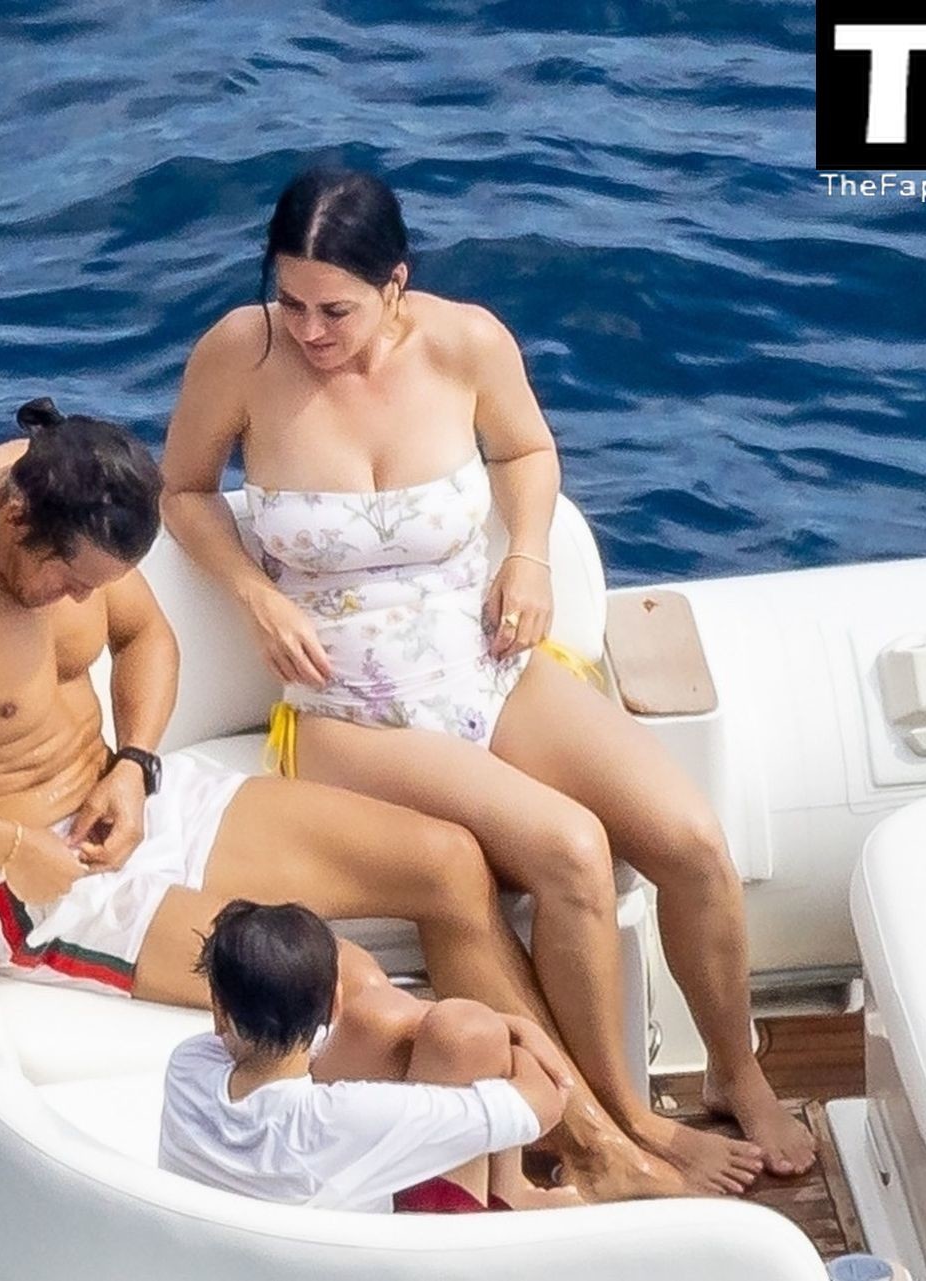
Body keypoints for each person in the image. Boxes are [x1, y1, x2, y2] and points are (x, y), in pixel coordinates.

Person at [0, 395, 685, 1202]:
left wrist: (136, 764)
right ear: (16, 518)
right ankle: (584, 1156)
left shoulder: (73, 498)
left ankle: (576, 1142)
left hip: (126, 798)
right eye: (71, 582)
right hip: (36, 874)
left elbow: (146, 635)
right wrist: (15, 852)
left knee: (449, 862)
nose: (80, 602)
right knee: (342, 987)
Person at [160, 166, 816, 1189]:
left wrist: (530, 556)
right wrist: (255, 595)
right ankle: (624, 1125)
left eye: (335, 309)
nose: (309, 330)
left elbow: (526, 451)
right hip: (349, 707)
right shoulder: (239, 355)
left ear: (396, 285)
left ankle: (740, 1073)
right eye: (290, 302)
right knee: (571, 850)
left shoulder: (466, 341)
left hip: (489, 662)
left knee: (691, 840)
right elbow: (185, 491)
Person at [160, 900, 582, 1213]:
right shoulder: (344, 1118)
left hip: (238, 1252)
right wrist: (519, 1032)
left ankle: (508, 1190)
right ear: (335, 1005)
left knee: (408, 1020)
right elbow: (543, 1104)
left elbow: (284, 1047)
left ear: (220, 1011)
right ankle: (501, 1198)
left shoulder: (188, 1069)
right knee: (467, 1032)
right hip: (387, 1257)